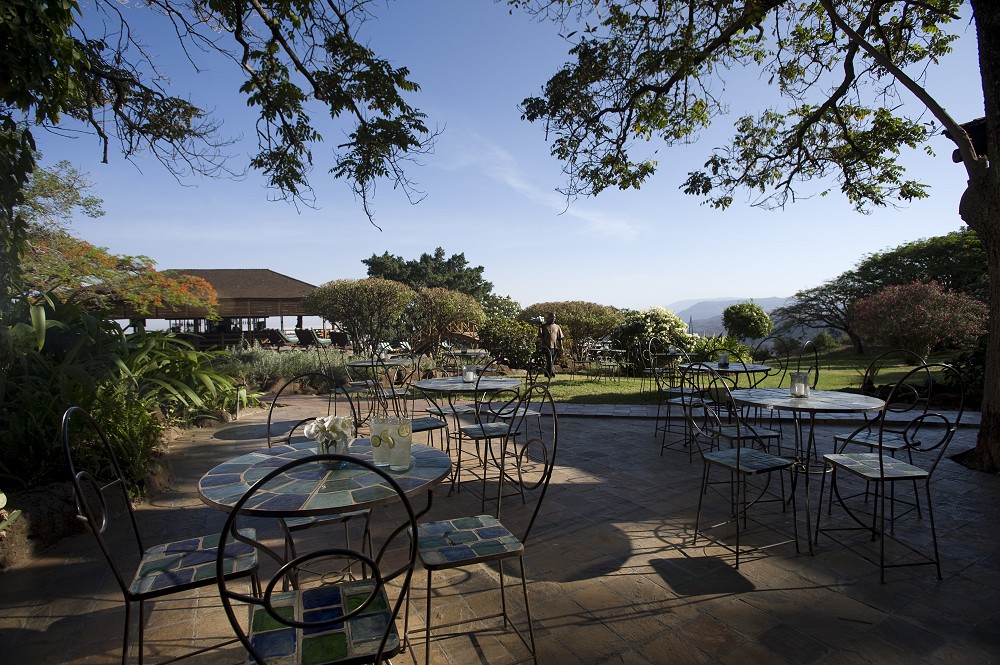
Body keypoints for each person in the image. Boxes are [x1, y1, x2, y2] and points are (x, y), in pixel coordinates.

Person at [538, 313, 564, 379]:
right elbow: (540, 335)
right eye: (552, 317)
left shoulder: (557, 327)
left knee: (552, 360)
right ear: (548, 317)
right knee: (549, 360)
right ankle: (550, 374)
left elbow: (560, 338)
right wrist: (539, 326)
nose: (553, 318)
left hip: (554, 347)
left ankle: (548, 373)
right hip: (546, 346)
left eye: (554, 317)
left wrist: (561, 346)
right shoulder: (544, 326)